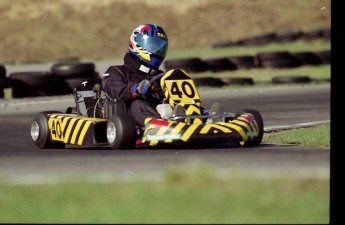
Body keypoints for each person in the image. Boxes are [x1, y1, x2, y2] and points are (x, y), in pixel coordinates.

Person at [101, 23, 168, 127]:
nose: (157, 51)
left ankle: (193, 120)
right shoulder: (116, 71)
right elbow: (116, 91)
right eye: (153, 46)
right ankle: (158, 127)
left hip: (163, 114)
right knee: (138, 104)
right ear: (137, 44)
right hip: (127, 121)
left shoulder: (161, 76)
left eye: (160, 48)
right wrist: (135, 90)